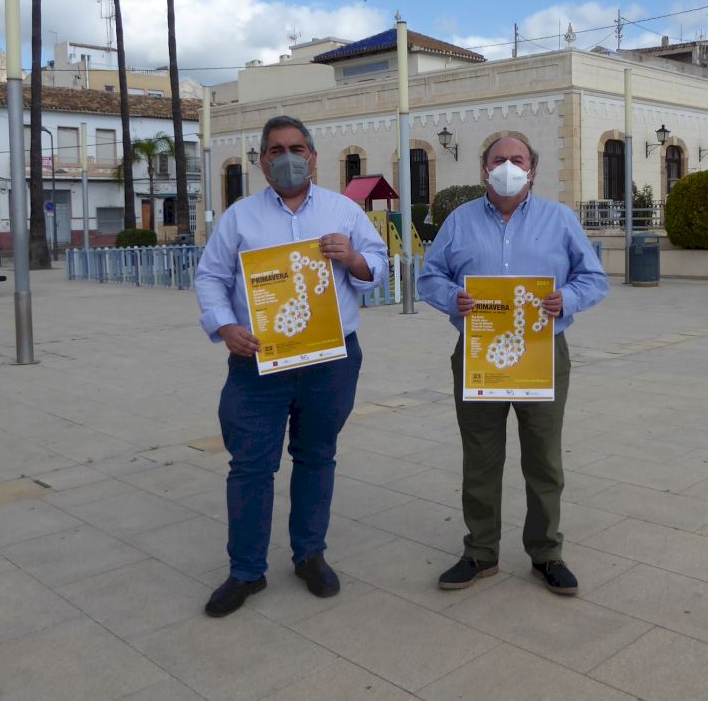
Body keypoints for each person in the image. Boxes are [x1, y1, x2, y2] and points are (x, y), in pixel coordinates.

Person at [195, 115, 388, 617]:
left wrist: (354, 259)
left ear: (313, 157)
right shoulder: (239, 218)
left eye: (297, 149)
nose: (288, 158)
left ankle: (310, 555)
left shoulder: (344, 211)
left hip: (330, 360)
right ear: (262, 161)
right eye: (276, 150)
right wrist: (225, 326)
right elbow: (211, 276)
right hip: (258, 362)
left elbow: (380, 267)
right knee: (250, 464)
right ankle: (246, 570)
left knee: (317, 455)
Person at [418, 135, 608, 595]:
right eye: (498, 159)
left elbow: (593, 277)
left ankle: (546, 553)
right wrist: (452, 298)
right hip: (479, 353)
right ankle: (481, 551)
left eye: (517, 159)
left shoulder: (559, 220)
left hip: (542, 352)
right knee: (480, 456)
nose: (508, 166)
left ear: (532, 169)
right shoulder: (459, 221)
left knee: (543, 458)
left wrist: (568, 299)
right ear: (484, 169)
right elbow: (429, 276)